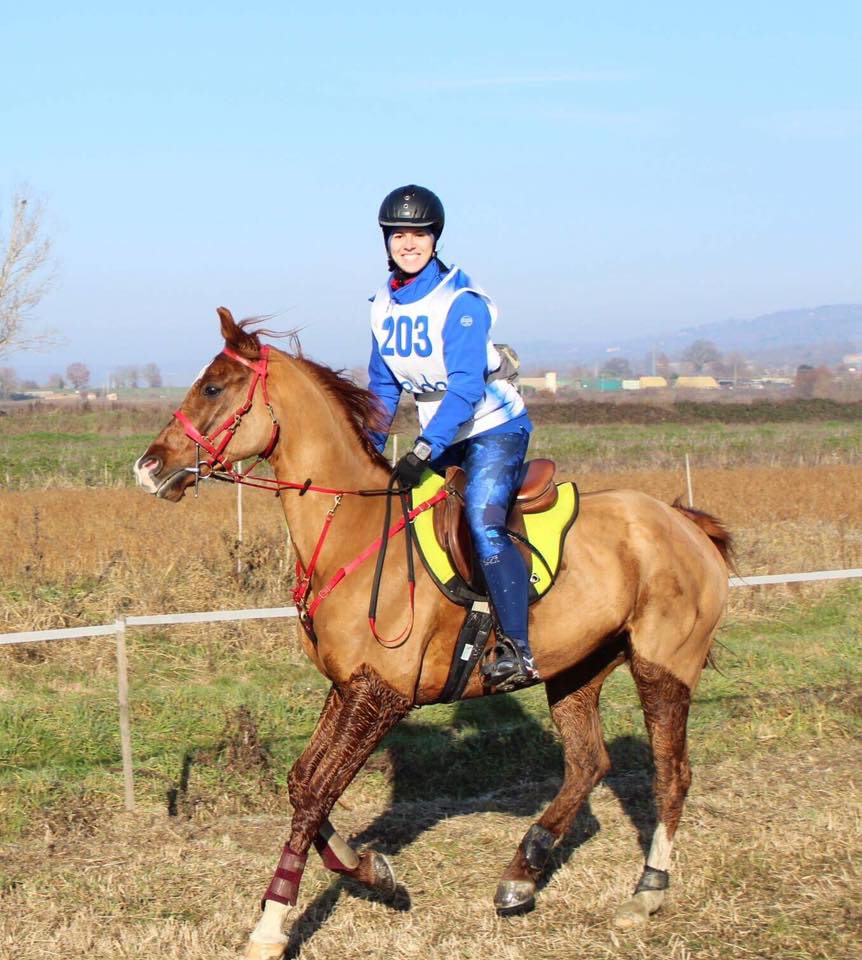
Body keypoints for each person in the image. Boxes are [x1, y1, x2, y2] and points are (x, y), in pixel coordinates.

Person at [367, 184, 538, 688]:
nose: (409, 243)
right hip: (443, 436)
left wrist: (424, 449)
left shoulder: (462, 302)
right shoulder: (382, 306)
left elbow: (465, 390)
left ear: (434, 238)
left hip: (492, 428)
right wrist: (366, 450)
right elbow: (382, 388)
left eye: (419, 234)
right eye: (399, 234)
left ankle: (518, 649)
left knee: (483, 523)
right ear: (387, 241)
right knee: (406, 519)